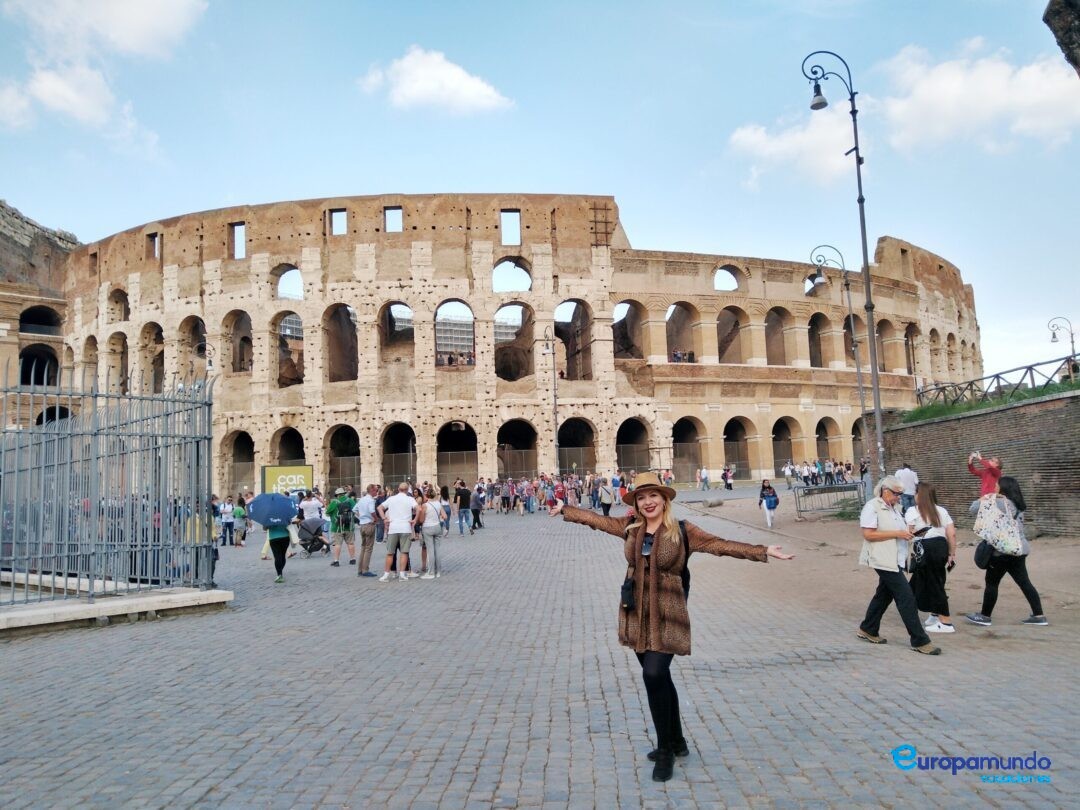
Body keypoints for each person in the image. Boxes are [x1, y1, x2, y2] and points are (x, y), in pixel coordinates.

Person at [549, 472, 792, 782]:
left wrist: (762, 550)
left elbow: (720, 545)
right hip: (637, 615)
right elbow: (597, 521)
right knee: (661, 679)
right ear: (636, 503)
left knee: (653, 675)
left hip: (668, 614)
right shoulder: (630, 528)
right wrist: (566, 510)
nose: (648, 502)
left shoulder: (682, 531)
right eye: (641, 497)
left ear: (664, 499)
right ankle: (677, 741)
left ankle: (665, 751)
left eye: (653, 496)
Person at [856, 476, 940, 655]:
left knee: (884, 595)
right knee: (906, 597)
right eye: (896, 494)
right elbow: (868, 534)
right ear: (885, 491)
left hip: (897, 558)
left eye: (900, 494)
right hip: (882, 558)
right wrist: (898, 534)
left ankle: (868, 628)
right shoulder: (872, 507)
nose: (899, 497)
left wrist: (910, 533)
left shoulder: (896, 508)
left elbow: (898, 531)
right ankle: (920, 640)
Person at [966, 477, 1048, 627]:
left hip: (1001, 551)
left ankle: (985, 616)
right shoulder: (1019, 504)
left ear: (1002, 488)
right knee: (1025, 583)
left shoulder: (997, 502)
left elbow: (973, 509)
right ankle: (1039, 615)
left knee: (992, 583)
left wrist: (985, 497)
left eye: (996, 485)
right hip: (1019, 549)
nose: (994, 487)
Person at [905, 483, 957, 633]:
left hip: (925, 548)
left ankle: (945, 622)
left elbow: (908, 533)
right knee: (928, 580)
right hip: (941, 546)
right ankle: (934, 614)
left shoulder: (913, 511)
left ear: (919, 495)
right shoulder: (942, 511)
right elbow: (951, 534)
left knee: (935, 583)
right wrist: (951, 554)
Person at [378, 482, 418, 582]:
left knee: (390, 553)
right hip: (405, 528)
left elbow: (379, 508)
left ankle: (386, 575)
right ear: (407, 490)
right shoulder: (410, 499)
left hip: (393, 528)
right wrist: (415, 520)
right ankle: (402, 574)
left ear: (398, 489)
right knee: (404, 552)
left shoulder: (391, 499)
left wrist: (384, 519)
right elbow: (419, 509)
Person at [416, 489, 446, 579]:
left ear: (427, 496)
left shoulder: (425, 505)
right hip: (437, 527)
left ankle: (431, 572)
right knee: (437, 549)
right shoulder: (438, 503)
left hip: (427, 527)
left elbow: (421, 520)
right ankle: (438, 571)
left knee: (430, 550)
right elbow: (445, 516)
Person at [326, 487, 357, 567]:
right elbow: (356, 510)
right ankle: (352, 559)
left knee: (337, 544)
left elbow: (327, 512)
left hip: (337, 527)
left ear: (337, 495)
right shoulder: (350, 501)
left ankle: (336, 561)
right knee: (350, 543)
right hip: (349, 526)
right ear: (344, 493)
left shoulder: (334, 502)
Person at [354, 484, 379, 577]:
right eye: (376, 490)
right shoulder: (371, 500)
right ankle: (365, 570)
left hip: (362, 524)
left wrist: (360, 516)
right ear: (372, 491)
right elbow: (372, 511)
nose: (377, 492)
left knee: (363, 547)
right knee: (368, 548)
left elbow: (354, 509)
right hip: (369, 524)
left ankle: (360, 569)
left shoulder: (362, 499)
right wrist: (376, 519)